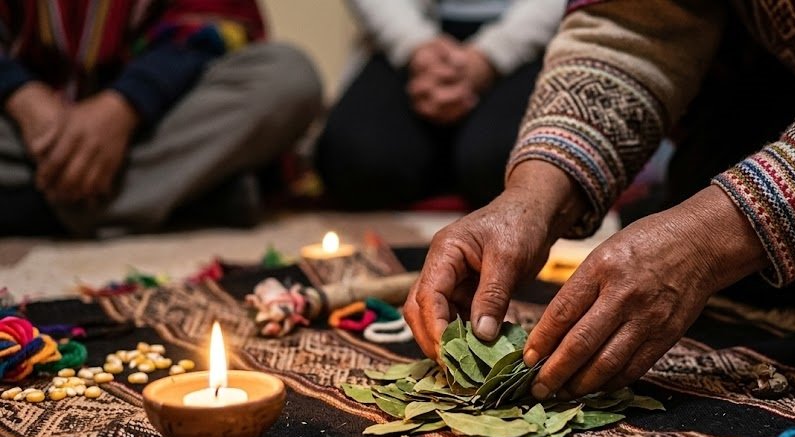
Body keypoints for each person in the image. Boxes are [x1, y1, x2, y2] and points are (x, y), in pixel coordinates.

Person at [405, 1, 795, 398]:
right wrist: (533, 193)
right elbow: (637, 22)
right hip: (787, 85)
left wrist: (711, 237)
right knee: (672, 255)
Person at [1, 1, 322, 237]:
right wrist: (22, 95)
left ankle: (30, 209)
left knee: (287, 77)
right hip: (21, 128)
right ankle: (192, 197)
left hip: (152, 118)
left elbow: (214, 24)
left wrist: (124, 105)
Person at [315, 0, 565, 210]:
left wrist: (490, 56)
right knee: (354, 160)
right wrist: (415, 45)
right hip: (408, 34)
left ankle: (455, 155)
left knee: (512, 165)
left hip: (532, 38)